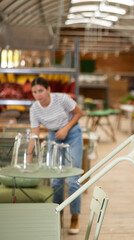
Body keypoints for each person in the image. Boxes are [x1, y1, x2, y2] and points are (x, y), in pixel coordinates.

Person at [30, 76, 83, 235]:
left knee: (73, 180)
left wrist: (66, 129)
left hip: (72, 135)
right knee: (55, 181)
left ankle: (75, 217)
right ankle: (58, 216)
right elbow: (35, 133)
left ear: (48, 90)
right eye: (34, 92)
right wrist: (28, 156)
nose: (38, 94)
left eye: (41, 90)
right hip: (54, 137)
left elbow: (79, 113)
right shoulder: (34, 109)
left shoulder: (62, 99)